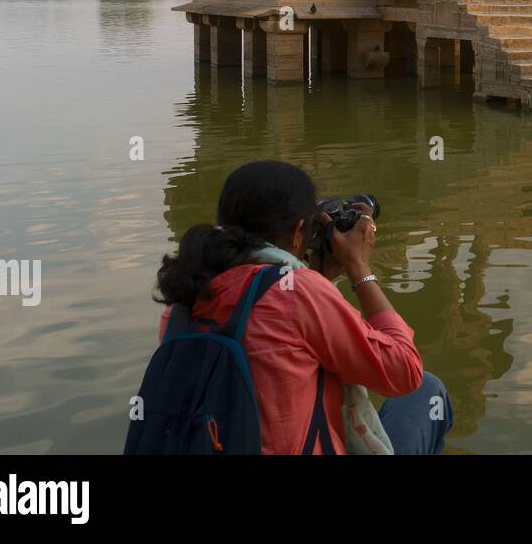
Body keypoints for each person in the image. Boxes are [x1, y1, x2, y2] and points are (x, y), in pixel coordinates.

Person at [153, 160, 453, 454]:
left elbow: (278, 342)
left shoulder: (182, 305)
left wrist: (320, 277)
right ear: (299, 231)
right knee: (426, 391)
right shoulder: (298, 294)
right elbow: (404, 371)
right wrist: (358, 267)